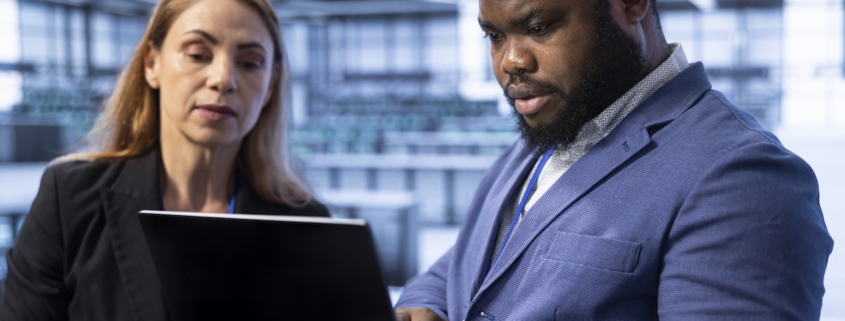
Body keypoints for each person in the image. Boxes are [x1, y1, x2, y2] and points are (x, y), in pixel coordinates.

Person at [395, 0, 833, 320]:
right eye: (494, 36)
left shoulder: (743, 179)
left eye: (540, 27)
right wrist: (427, 300)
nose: (511, 61)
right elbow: (478, 262)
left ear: (630, 4)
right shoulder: (547, 133)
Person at [0, 0, 329, 320]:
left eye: (250, 63)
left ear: (270, 86)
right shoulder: (71, 199)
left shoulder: (307, 225)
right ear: (151, 64)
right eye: (198, 54)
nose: (223, 79)